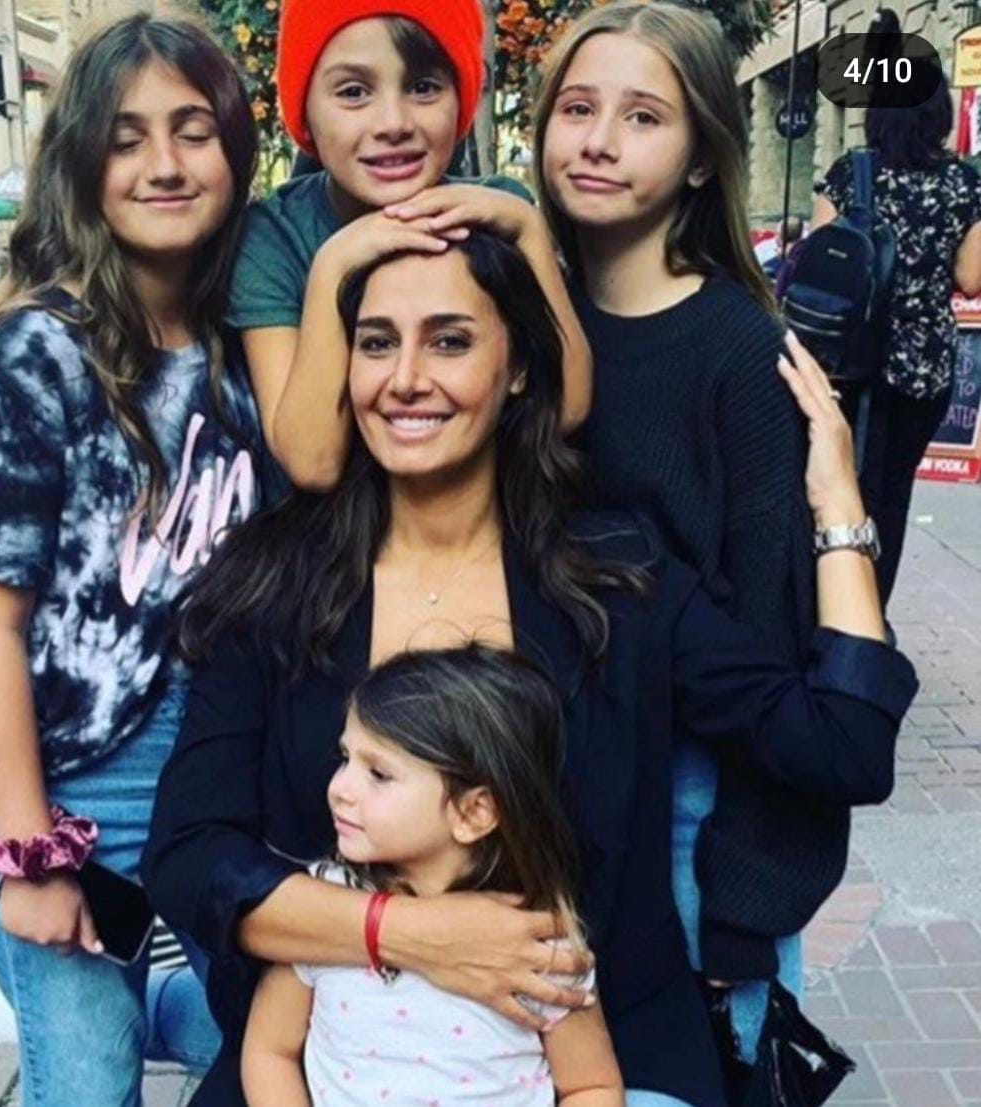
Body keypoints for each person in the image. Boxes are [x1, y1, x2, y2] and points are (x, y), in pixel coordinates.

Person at [143, 231, 917, 1107]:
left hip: (603, 1056)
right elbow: (190, 857)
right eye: (377, 342)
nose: (405, 379)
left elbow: (844, 748)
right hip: (331, 1060)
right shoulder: (277, 583)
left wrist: (838, 505)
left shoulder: (617, 578)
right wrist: (410, 932)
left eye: (450, 340)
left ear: (517, 367)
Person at [0, 15, 284, 1106]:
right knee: (85, 1082)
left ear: (235, 147)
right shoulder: (38, 351)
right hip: (74, 784)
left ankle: (148, 1000)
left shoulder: (254, 343)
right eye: (127, 139)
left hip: (225, 768)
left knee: (280, 1042)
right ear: (82, 164)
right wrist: (29, 853)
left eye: (193, 130)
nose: (164, 163)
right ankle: (89, 998)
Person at [531, 0, 833, 1061]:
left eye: (644, 117)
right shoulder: (515, 324)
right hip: (540, 796)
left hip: (693, 808)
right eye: (577, 108)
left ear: (704, 157)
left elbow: (778, 641)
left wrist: (747, 904)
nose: (599, 140)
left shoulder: (742, 354)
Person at [228, 0, 591, 490]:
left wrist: (528, 231)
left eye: (423, 88)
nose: (393, 122)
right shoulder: (275, 236)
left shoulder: (498, 213)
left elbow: (566, 407)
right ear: (305, 112)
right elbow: (313, 463)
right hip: (323, 533)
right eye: (353, 92)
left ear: (461, 100)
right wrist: (335, 264)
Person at [242, 646, 625, 1106]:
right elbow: (270, 1050)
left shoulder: (534, 943)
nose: (339, 788)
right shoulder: (327, 906)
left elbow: (591, 1086)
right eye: (345, 758)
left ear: (474, 812)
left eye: (378, 774)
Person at [812, 8, 981, 604]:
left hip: (848, 367)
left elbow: (820, 269)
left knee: (841, 486)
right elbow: (970, 279)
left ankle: (827, 605)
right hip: (923, 370)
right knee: (893, 494)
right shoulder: (965, 185)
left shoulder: (849, 174)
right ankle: (871, 615)